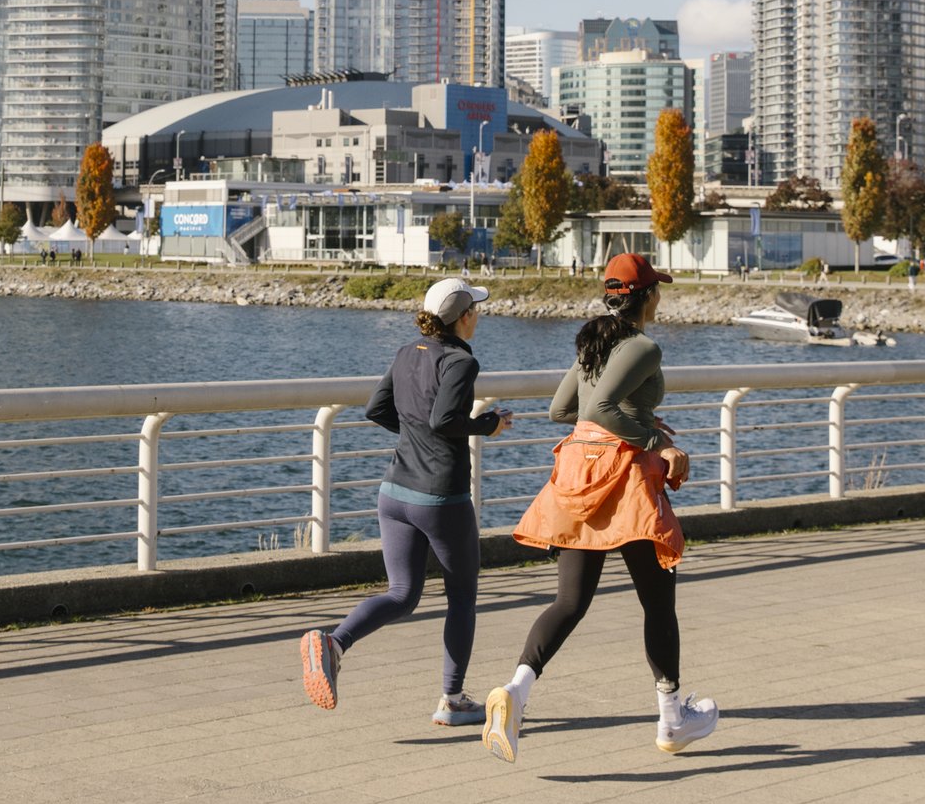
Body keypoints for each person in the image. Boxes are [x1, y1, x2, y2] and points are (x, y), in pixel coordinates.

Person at [481, 252, 720, 763]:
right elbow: (599, 409)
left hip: (579, 473)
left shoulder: (594, 343)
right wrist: (656, 437)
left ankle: (515, 693)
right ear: (646, 296)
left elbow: (562, 411)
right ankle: (673, 718)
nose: (660, 295)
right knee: (658, 602)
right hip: (625, 480)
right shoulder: (642, 346)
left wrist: (631, 425)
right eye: (657, 288)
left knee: (570, 602)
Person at [300, 277, 510, 726]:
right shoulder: (459, 362)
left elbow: (377, 409)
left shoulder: (405, 352)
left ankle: (334, 644)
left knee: (402, 594)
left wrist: (414, 436)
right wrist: (488, 423)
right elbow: (445, 420)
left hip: (394, 492)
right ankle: (452, 700)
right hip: (440, 498)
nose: (479, 317)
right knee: (462, 599)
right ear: (464, 317)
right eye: (476, 309)